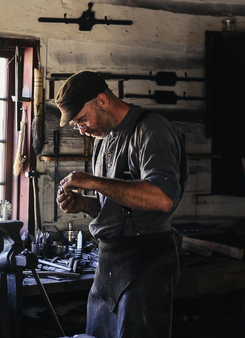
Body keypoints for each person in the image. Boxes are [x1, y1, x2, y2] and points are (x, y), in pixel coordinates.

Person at [55, 71, 188, 338]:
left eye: (82, 119)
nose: (82, 129)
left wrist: (94, 181)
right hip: (108, 267)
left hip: (145, 263)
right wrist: (85, 205)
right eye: (75, 126)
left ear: (102, 100)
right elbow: (119, 208)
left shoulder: (151, 130)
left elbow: (162, 198)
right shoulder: (105, 142)